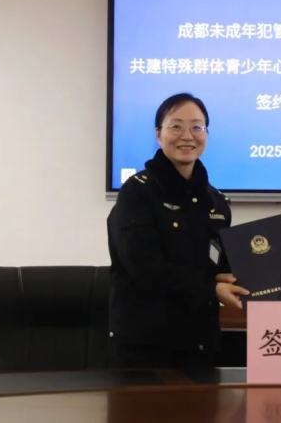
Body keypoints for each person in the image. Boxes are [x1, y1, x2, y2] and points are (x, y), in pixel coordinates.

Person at [107, 93, 248, 369]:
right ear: (158, 134)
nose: (187, 136)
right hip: (146, 347)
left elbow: (218, 266)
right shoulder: (137, 192)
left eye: (197, 127)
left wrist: (255, 279)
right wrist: (211, 288)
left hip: (200, 344)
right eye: (176, 126)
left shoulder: (216, 201)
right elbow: (144, 267)